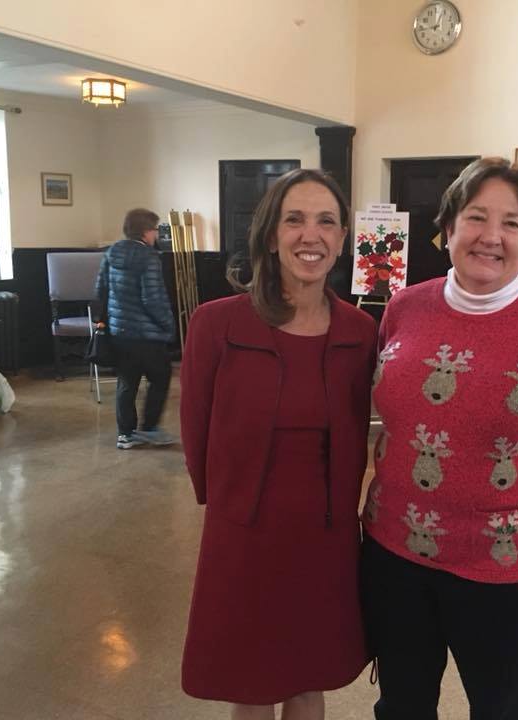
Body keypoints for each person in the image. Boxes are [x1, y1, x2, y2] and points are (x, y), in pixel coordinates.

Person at [361, 157, 518, 720]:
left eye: (512, 223)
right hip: (395, 555)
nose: (490, 237)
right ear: (448, 228)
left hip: (508, 570)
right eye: (476, 217)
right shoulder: (403, 308)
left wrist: (508, 506)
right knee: (401, 705)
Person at [179, 169, 377, 720]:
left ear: (342, 239)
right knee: (253, 678)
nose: (309, 236)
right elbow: (195, 426)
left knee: (309, 677)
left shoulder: (361, 333)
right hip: (245, 526)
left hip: (326, 530)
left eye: (326, 222)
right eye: (294, 219)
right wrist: (222, 504)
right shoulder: (216, 324)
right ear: (271, 234)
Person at [95, 208, 177, 449]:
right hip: (148, 335)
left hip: (119, 332)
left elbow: (100, 290)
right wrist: (168, 325)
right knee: (161, 377)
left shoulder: (111, 253)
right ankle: (150, 428)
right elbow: (153, 299)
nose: (155, 235)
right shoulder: (149, 258)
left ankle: (126, 434)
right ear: (145, 231)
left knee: (127, 382)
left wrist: (105, 320)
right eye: (155, 230)